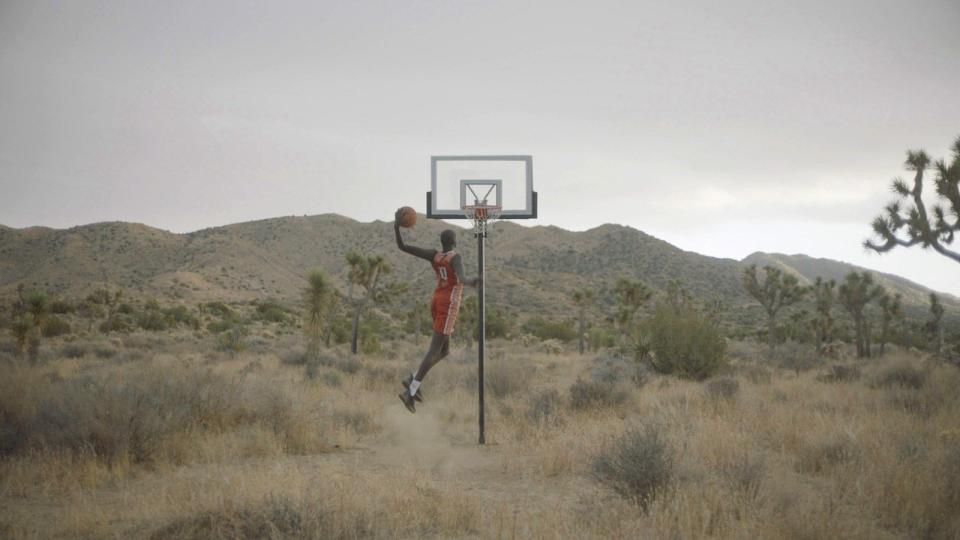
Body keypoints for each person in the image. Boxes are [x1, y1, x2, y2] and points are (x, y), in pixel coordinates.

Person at [394, 210, 479, 413]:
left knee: (444, 351)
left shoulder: (435, 255)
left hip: (436, 299)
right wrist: (473, 282)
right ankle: (411, 391)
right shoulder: (455, 257)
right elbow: (461, 278)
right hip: (448, 304)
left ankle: (412, 379)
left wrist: (396, 227)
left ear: (442, 242)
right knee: (434, 350)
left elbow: (403, 247)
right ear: (455, 242)